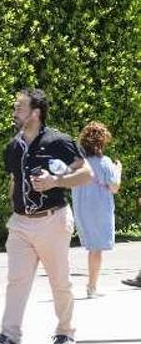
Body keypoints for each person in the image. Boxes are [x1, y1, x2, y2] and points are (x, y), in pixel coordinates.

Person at [0, 88, 92, 344]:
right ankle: (10, 335)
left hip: (52, 220)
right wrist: (15, 208)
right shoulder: (13, 146)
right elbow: (13, 180)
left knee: (59, 281)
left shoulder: (58, 141)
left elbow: (86, 174)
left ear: (36, 112)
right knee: (16, 281)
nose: (14, 112)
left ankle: (65, 331)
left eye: (19, 108)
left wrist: (55, 180)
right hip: (21, 223)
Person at [73, 121, 121, 298]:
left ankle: (91, 285)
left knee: (92, 247)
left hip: (81, 209)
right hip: (99, 209)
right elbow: (114, 186)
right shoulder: (105, 162)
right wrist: (119, 170)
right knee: (96, 249)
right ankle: (92, 287)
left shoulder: (77, 163)